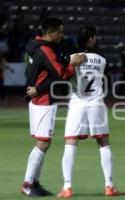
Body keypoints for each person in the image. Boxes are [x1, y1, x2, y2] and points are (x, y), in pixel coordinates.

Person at [20, 17, 86, 197]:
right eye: (60, 31)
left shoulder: (36, 45)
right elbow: (61, 74)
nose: (62, 35)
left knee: (43, 141)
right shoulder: (45, 50)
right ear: (51, 32)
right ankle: (27, 183)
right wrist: (73, 64)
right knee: (43, 141)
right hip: (43, 100)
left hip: (40, 98)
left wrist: (65, 60)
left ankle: (34, 182)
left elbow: (48, 69)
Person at [57, 26, 120, 198]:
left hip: (77, 102)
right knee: (103, 143)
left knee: (70, 143)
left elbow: (61, 70)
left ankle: (67, 187)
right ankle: (109, 186)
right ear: (92, 39)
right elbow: (107, 78)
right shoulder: (101, 57)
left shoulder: (72, 57)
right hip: (96, 102)